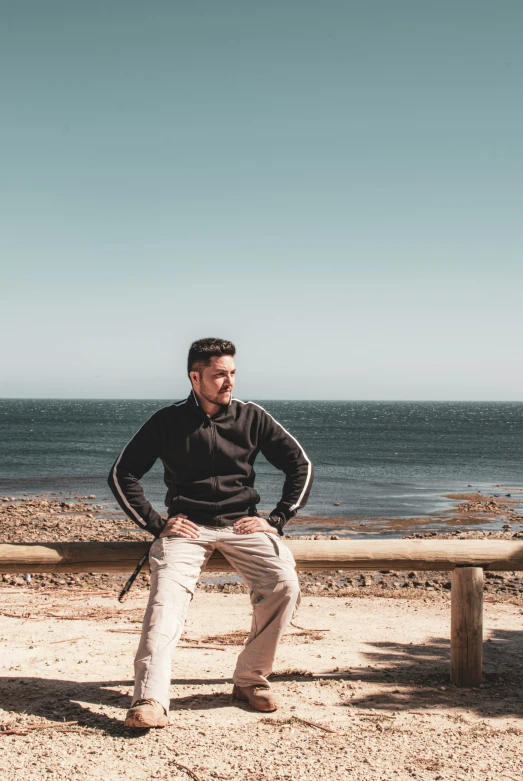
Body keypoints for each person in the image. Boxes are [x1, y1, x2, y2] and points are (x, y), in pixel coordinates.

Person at [108, 337, 313, 728]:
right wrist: (156, 523)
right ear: (195, 377)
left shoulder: (252, 417)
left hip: (243, 524)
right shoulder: (167, 421)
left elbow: (299, 465)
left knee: (284, 585)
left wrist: (277, 518)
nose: (229, 382)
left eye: (233, 373)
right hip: (187, 528)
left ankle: (250, 679)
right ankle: (150, 698)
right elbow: (123, 473)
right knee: (166, 600)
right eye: (220, 374)